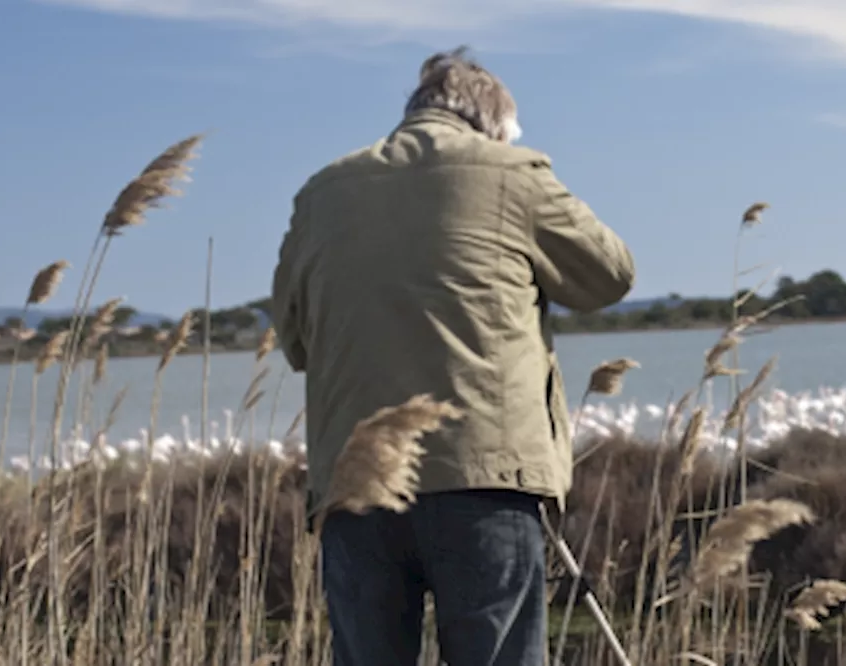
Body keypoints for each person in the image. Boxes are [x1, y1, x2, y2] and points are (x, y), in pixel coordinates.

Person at [270, 47, 636, 666]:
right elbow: (609, 277)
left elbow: (293, 338)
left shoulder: (322, 194)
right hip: (482, 476)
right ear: (494, 125)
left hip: (356, 486)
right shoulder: (512, 174)